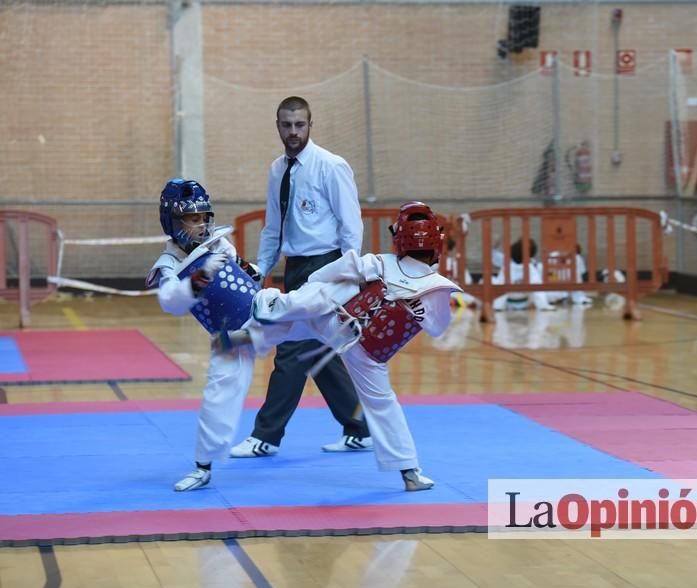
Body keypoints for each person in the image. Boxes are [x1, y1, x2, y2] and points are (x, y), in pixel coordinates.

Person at [218, 202, 461, 491]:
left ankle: (264, 314)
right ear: (437, 244)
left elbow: (335, 270)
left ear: (398, 238)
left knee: (321, 300)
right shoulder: (439, 288)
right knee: (383, 404)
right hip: (370, 352)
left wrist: (316, 283)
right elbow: (437, 328)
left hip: (336, 322)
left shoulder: (379, 262)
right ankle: (410, 473)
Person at [231, 95, 372, 459]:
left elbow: (350, 224)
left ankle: (266, 435)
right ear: (277, 125)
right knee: (318, 351)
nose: (293, 132)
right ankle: (361, 428)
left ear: (310, 125)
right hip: (295, 267)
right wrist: (260, 270)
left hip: (325, 266)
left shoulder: (331, 165)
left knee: (292, 349)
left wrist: (348, 273)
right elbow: (273, 227)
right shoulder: (277, 169)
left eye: (300, 125)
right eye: (286, 125)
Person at [146, 179, 261, 492]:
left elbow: (240, 273)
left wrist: (250, 270)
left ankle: (348, 317)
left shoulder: (219, 245)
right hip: (234, 334)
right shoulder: (169, 264)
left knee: (310, 308)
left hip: (266, 313)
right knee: (218, 393)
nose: (202, 224)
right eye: (193, 219)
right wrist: (202, 276)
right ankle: (203, 467)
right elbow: (170, 301)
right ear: (174, 223)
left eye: (204, 217)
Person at [491, 238, 556, 312]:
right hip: (524, 302)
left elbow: (492, 256)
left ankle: (496, 306)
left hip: (507, 303)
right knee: (537, 284)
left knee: (497, 283)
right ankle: (543, 305)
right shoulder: (531, 267)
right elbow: (537, 289)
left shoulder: (506, 263)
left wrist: (494, 247)